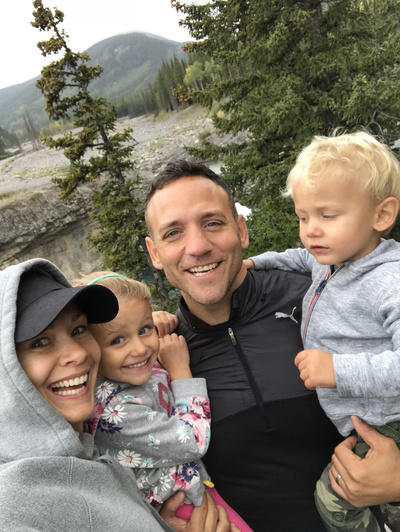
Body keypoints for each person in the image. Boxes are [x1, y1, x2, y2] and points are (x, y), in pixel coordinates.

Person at [144, 159, 342, 531]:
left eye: (213, 223)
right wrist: (169, 522)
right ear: (155, 254)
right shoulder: (155, 361)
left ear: (241, 230)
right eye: (173, 233)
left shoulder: (313, 297)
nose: (198, 246)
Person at [0, 257, 235, 531]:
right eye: (40, 342)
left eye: (78, 330)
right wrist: (181, 370)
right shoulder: (13, 504)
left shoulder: (84, 448)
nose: (77, 353)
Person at [247, 131, 400, 531]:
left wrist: (337, 369)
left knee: (334, 501)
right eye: (302, 216)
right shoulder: (332, 258)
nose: (311, 230)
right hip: (368, 422)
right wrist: (254, 263)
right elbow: (300, 259)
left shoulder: (389, 281)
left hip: (390, 421)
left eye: (327, 216)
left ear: (381, 215)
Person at [75, 271, 252, 531]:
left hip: (191, 493)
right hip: (183, 508)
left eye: (144, 329)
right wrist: (181, 371)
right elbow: (193, 440)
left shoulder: (126, 371)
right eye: (118, 340)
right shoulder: (115, 413)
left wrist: (155, 323)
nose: (140, 348)